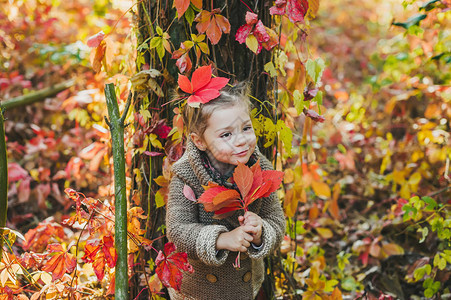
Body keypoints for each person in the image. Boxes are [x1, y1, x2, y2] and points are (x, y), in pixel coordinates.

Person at [166, 82, 286, 300]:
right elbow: (177, 230)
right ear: (199, 141)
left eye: (246, 128)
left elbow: (276, 220)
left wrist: (260, 232)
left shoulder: (260, 170)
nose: (241, 140)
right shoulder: (187, 177)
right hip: (198, 290)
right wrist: (221, 239)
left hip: (247, 286)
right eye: (226, 135)